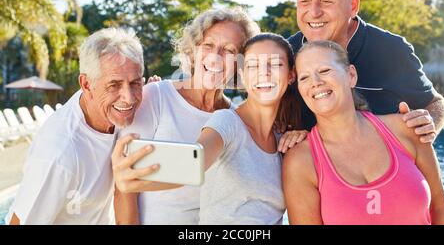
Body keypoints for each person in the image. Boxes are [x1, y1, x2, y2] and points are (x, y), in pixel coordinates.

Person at [113, 33, 298, 224]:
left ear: (291, 75)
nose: (264, 73)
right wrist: (132, 176)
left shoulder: (284, 138)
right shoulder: (227, 121)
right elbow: (195, 162)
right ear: (242, 74)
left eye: (275, 64)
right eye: (252, 65)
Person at [283, 40, 444, 225]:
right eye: (304, 78)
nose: (315, 82)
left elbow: (440, 208)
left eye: (324, 71)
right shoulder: (300, 161)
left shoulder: (406, 128)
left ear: (351, 75)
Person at [288, 0, 444, 140]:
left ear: (353, 5)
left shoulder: (391, 50)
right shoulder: (287, 53)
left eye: (326, 1)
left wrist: (429, 123)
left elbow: (435, 103)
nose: (314, 12)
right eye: (305, 1)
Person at [7, 28, 145, 224]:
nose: (129, 98)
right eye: (113, 85)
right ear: (86, 85)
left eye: (135, 83)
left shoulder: (111, 109)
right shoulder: (59, 155)